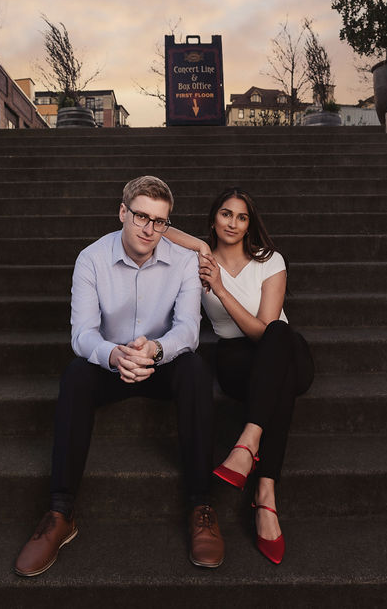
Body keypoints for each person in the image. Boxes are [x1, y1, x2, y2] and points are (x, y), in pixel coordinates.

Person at [14, 175, 224, 576]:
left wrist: (156, 350)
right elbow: (82, 334)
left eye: (160, 221)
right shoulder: (91, 259)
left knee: (195, 368)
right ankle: (60, 514)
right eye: (141, 217)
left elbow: (188, 331)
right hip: (109, 365)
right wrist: (113, 356)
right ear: (122, 213)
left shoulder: (182, 262)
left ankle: (201, 505)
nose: (150, 229)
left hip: (160, 362)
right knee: (76, 375)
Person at [166, 187, 314, 565]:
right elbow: (161, 227)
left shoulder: (271, 260)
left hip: (281, 350)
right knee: (276, 382)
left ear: (250, 225)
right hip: (235, 361)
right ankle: (265, 493)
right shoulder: (199, 258)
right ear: (214, 218)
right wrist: (201, 250)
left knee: (278, 334)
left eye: (242, 217)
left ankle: (247, 442)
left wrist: (218, 286)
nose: (233, 223)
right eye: (226, 214)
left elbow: (263, 331)